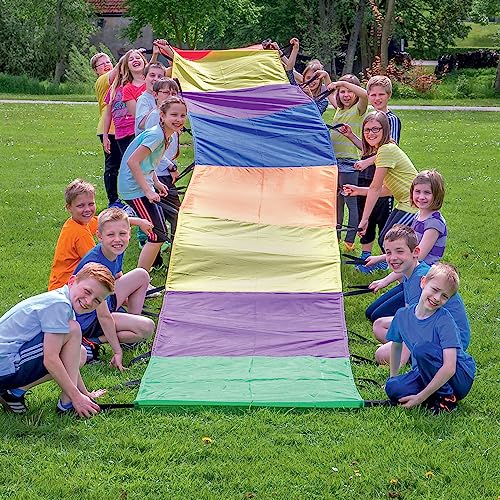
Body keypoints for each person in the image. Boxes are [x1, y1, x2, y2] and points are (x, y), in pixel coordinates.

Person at [0, 263, 114, 417]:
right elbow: (51, 359)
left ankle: (13, 393)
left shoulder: (64, 302)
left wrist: (84, 394)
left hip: (7, 366)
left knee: (78, 352)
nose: (88, 301)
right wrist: (77, 398)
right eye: (87, 292)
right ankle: (67, 404)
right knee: (73, 331)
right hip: (4, 367)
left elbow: (70, 360)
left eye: (97, 301)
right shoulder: (59, 304)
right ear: (72, 281)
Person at [368, 225, 469, 366]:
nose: (393, 258)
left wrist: (400, 360)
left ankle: (421, 357)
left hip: (448, 342)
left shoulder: (421, 278)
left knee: (380, 355)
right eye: (388, 252)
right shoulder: (409, 273)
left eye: (399, 251)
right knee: (379, 325)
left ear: (415, 252)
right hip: (428, 328)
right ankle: (408, 350)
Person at [385, 263, 476, 414]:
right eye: (435, 290)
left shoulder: (444, 320)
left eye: (444, 296)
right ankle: (434, 392)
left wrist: (419, 398)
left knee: (422, 349)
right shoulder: (402, 315)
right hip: (424, 372)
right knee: (393, 388)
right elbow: (396, 346)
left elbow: (449, 367)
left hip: (459, 376)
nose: (436, 298)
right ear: (423, 282)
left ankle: (446, 398)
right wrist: (392, 377)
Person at [365, 170, 448, 323]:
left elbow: (415, 258)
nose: (421, 197)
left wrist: (385, 281)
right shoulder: (419, 215)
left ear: (437, 195)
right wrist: (379, 258)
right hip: (410, 278)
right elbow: (407, 251)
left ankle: (413, 324)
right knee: (370, 312)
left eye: (427, 193)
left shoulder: (434, 224)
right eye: (417, 191)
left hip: (422, 281)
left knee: (377, 316)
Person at [74, 208, 155, 366]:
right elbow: (103, 316)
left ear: (129, 234)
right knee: (147, 327)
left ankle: (132, 326)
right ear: (99, 236)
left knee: (142, 275)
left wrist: (124, 296)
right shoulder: (96, 266)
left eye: (122, 234)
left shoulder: (116, 249)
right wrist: (117, 351)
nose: (117, 239)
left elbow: (117, 275)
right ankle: (91, 340)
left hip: (104, 301)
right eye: (110, 235)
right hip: (89, 316)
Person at [118, 97, 187, 272]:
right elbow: (133, 162)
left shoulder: (167, 136)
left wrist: (156, 182)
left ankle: (142, 276)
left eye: (182, 115)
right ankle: (140, 278)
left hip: (143, 186)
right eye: (174, 115)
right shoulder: (156, 135)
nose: (178, 119)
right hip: (134, 190)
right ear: (162, 115)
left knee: (159, 234)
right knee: (157, 235)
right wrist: (148, 191)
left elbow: (149, 163)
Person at [48, 179, 153, 291]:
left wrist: (138, 221)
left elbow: (106, 221)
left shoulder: (76, 222)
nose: (87, 209)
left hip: (66, 284)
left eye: (91, 204)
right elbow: (99, 266)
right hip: (69, 289)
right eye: (81, 206)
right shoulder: (80, 233)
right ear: (69, 207)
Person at [342, 76, 399, 272]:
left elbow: (390, 148)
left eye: (380, 94)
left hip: (382, 177)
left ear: (389, 95)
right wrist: (351, 136)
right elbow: (368, 148)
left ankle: (385, 258)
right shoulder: (370, 116)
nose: (376, 98)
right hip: (365, 175)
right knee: (366, 215)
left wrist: (366, 161)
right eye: (372, 94)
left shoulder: (391, 120)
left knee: (383, 219)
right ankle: (366, 257)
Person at [343, 111, 418, 250]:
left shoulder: (386, 150)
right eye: (367, 130)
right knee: (388, 239)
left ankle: (412, 268)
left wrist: (364, 219)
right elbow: (388, 190)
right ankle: (398, 267)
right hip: (405, 202)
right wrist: (358, 190)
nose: (370, 133)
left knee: (390, 241)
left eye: (376, 129)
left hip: (414, 205)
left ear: (385, 129)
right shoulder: (384, 150)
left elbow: (375, 188)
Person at [327, 75, 368, 250]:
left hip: (349, 163)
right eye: (342, 91)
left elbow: (366, 95)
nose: (346, 94)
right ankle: (336, 237)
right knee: (337, 203)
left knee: (351, 202)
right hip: (334, 162)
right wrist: (326, 78)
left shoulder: (358, 110)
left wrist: (343, 82)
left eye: (350, 91)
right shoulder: (340, 110)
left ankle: (349, 241)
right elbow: (327, 90)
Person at [90, 52, 122, 206]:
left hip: (122, 127)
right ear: (96, 70)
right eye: (102, 64)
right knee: (113, 165)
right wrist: (129, 56)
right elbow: (117, 70)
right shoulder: (102, 80)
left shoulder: (119, 81)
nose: (106, 65)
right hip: (108, 130)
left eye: (108, 61)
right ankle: (113, 200)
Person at [281, 38, 335, 114]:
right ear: (303, 78)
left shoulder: (323, 101)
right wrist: (295, 49)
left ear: (320, 80)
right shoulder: (296, 89)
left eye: (315, 78)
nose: (311, 81)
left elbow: (316, 114)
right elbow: (289, 69)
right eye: (308, 78)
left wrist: (310, 96)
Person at [134, 63, 167, 136]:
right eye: (152, 75)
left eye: (160, 76)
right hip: (147, 142)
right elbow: (141, 125)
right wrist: (159, 106)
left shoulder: (166, 97)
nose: (156, 79)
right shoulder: (143, 99)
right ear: (144, 78)